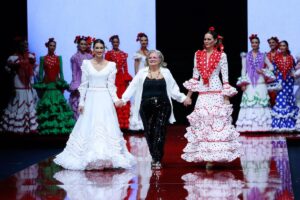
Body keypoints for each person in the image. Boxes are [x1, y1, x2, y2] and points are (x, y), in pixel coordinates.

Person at [54, 39, 136, 170]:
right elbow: (84, 84)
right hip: (91, 100)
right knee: (89, 126)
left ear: (104, 49)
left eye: (101, 48)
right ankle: (87, 157)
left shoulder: (111, 65)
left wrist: (115, 100)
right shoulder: (86, 64)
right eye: (96, 48)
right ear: (93, 49)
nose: (99, 50)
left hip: (105, 100)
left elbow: (111, 85)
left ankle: (107, 157)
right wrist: (81, 102)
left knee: (106, 126)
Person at [181, 27, 241, 168]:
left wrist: (226, 97)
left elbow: (225, 78)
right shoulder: (198, 55)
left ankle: (214, 156)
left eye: (209, 39)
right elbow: (195, 77)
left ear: (215, 41)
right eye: (205, 39)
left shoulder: (222, 55)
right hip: (202, 93)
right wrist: (188, 96)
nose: (206, 41)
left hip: (216, 91)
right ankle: (205, 154)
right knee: (202, 122)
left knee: (217, 123)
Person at [121, 50, 192, 169]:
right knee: (149, 132)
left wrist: (183, 98)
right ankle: (154, 155)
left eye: (155, 57)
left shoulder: (166, 72)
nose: (152, 59)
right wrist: (123, 99)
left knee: (160, 131)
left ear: (160, 60)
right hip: (145, 106)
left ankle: (157, 158)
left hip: (163, 105)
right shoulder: (142, 72)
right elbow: (132, 87)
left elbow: (174, 89)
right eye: (150, 57)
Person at [33, 38, 75, 135]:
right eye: (51, 45)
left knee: (58, 108)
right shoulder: (43, 58)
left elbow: (61, 73)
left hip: (56, 85)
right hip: (47, 85)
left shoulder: (58, 58)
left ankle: (59, 131)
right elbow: (40, 74)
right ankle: (47, 130)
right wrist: (40, 84)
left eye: (54, 46)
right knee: (47, 108)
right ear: (47, 46)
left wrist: (63, 84)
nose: (52, 47)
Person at [236, 34, 275, 132]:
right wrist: (243, 83)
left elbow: (271, 67)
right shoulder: (246, 56)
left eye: (256, 42)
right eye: (253, 43)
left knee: (261, 102)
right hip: (249, 82)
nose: (254, 44)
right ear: (251, 44)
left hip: (260, 82)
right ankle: (248, 126)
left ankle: (262, 126)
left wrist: (263, 71)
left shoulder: (263, 55)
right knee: (249, 103)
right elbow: (243, 69)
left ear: (259, 44)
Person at [0, 37, 38, 134]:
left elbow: (35, 71)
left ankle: (29, 127)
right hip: (18, 83)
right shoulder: (13, 58)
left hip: (27, 84)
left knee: (28, 103)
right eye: (23, 45)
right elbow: (9, 72)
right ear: (19, 46)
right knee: (17, 103)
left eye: (26, 45)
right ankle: (16, 128)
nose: (25, 46)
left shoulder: (30, 57)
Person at [105, 35, 132, 129]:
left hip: (121, 78)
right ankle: (112, 124)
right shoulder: (108, 54)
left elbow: (126, 68)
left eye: (117, 42)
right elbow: (106, 67)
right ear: (111, 43)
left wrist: (127, 80)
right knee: (113, 98)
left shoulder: (124, 54)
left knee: (122, 98)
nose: (115, 43)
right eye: (114, 42)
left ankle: (122, 125)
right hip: (112, 78)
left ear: (119, 42)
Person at [271, 40, 298, 131]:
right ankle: (280, 125)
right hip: (280, 82)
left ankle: (289, 124)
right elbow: (273, 71)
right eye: (281, 46)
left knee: (288, 100)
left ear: (287, 47)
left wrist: (293, 74)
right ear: (279, 47)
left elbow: (293, 69)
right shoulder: (276, 58)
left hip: (289, 82)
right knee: (280, 100)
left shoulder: (291, 58)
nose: (282, 47)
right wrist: (277, 74)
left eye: (284, 45)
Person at [69, 36, 93, 120]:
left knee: (89, 107)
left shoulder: (90, 57)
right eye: (81, 44)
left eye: (85, 44)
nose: (83, 46)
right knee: (78, 105)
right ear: (78, 45)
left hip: (88, 84)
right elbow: (74, 73)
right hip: (79, 83)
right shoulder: (74, 57)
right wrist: (75, 85)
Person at [267, 36, 280, 106]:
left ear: (276, 43)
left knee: (278, 98)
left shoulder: (280, 54)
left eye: (273, 42)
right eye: (270, 43)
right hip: (269, 80)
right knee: (270, 98)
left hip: (279, 79)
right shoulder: (267, 55)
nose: (271, 44)